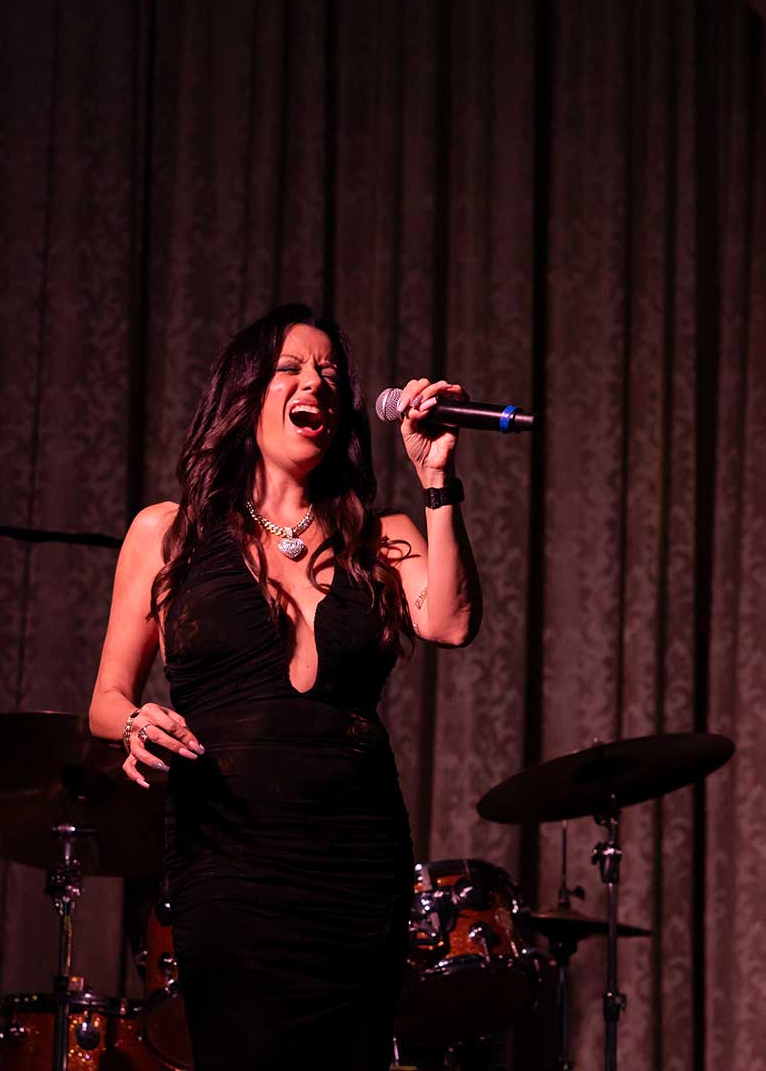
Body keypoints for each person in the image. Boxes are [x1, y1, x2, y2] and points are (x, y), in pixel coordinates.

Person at [87, 303, 482, 1069]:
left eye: (330, 374)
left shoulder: (383, 536)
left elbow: (452, 622)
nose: (317, 385)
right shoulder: (167, 533)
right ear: (244, 394)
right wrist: (135, 722)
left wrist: (437, 480)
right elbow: (106, 699)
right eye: (293, 369)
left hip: (358, 863)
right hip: (227, 855)